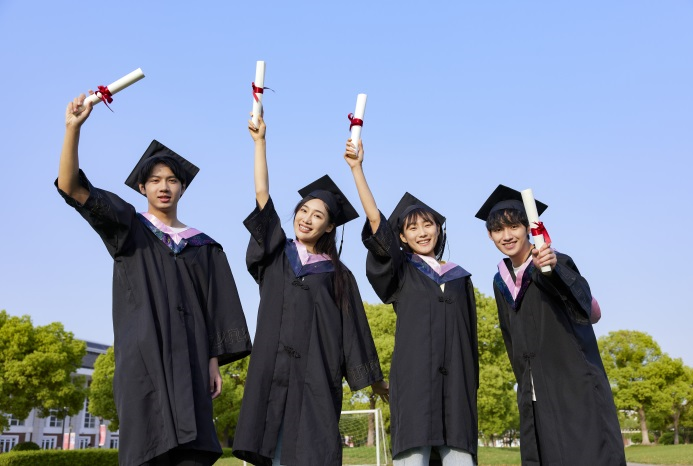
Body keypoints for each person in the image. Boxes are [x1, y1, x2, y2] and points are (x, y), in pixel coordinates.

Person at [56, 94, 252, 466]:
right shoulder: (128, 226)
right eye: (155, 180)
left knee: (192, 451)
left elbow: (216, 308)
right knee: (147, 442)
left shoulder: (204, 246)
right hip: (143, 358)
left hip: (193, 363)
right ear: (142, 188)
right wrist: (73, 129)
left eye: (172, 180)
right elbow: (71, 186)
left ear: (182, 188)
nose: (164, 186)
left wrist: (213, 362)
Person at [232, 113, 388, 466]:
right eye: (303, 210)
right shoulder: (276, 254)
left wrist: (374, 380)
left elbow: (355, 330)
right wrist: (260, 143)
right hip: (271, 370)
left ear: (329, 226)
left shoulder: (338, 275)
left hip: (316, 375)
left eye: (317, 215)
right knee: (269, 446)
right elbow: (262, 196)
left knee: (309, 452)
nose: (306, 218)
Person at [345, 139, 478, 465]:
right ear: (401, 237)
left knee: (460, 459)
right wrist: (357, 169)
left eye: (428, 224)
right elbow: (377, 225)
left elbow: (471, 341)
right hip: (415, 388)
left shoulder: (460, 277)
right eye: (412, 227)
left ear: (438, 230)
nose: (422, 231)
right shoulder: (402, 272)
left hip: (458, 395)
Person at [475, 184, 626, 466]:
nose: (507, 236)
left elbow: (590, 311)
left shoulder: (553, 261)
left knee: (585, 454)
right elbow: (510, 337)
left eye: (514, 226)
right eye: (498, 230)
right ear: (489, 234)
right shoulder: (500, 281)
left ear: (529, 226)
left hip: (572, 383)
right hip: (533, 389)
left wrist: (554, 269)